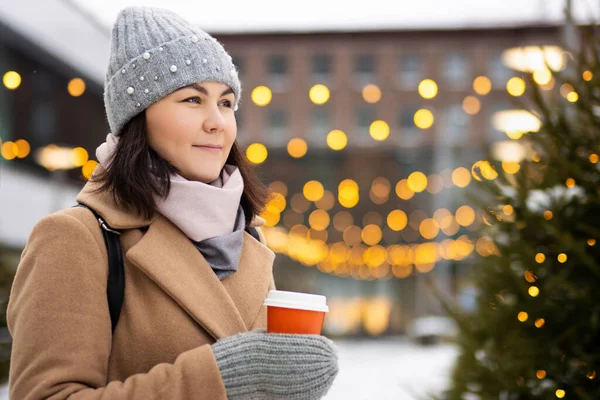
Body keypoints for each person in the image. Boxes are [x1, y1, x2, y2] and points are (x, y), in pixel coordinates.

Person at [6, 6, 338, 399]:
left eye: (227, 103)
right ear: (139, 117)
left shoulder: (248, 237)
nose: (217, 121)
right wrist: (222, 377)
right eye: (193, 100)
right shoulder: (76, 239)